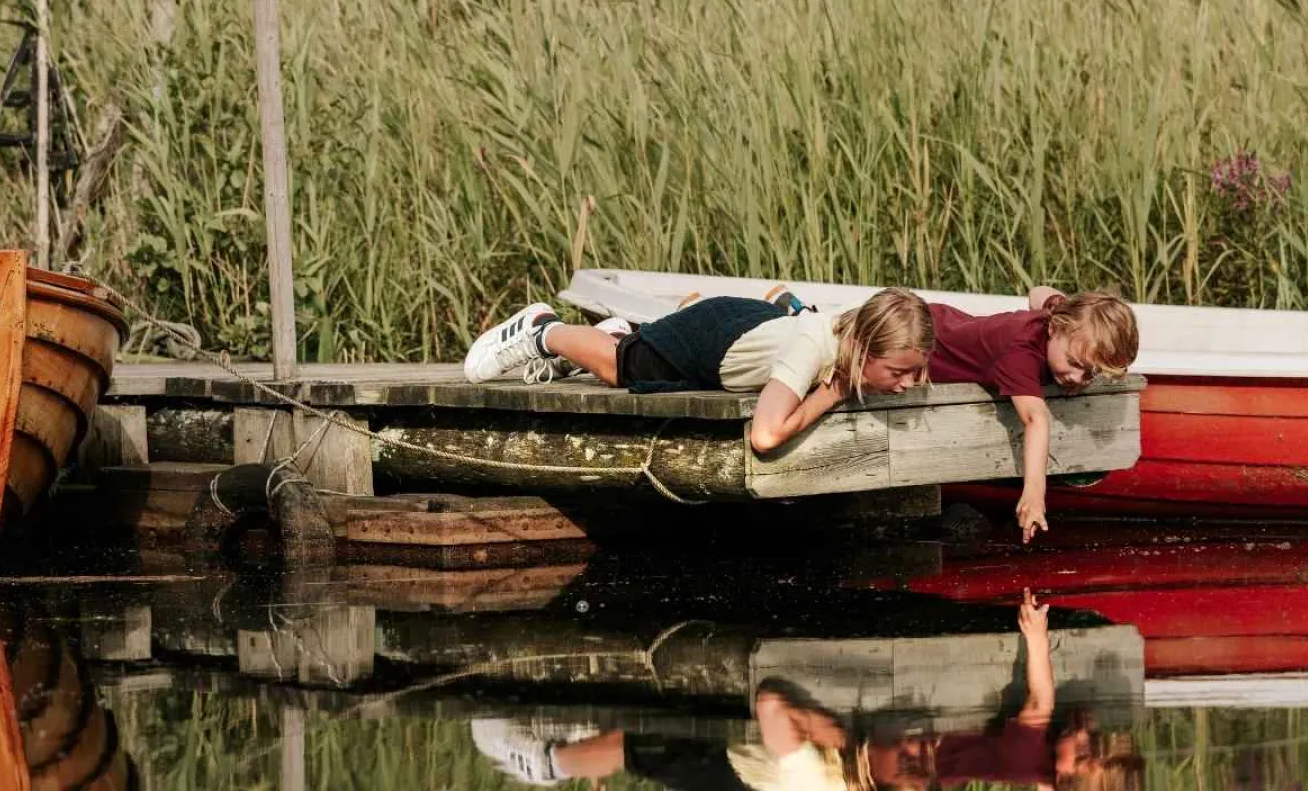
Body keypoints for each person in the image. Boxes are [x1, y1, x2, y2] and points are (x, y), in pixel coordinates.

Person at [463, 288, 934, 454]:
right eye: (899, 372)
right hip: (712, 340)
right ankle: (541, 330)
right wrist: (830, 396)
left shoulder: (856, 335)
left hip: (753, 326)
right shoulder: (812, 349)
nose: (909, 384)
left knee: (634, 348)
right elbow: (765, 436)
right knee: (620, 366)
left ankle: (621, 329)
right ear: (864, 347)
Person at [863, 591, 1145, 790]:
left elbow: (1039, 702)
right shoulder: (1049, 767)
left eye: (1082, 751)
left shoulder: (1028, 762)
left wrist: (1037, 639)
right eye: (1092, 739)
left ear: (1062, 777)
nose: (1084, 734)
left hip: (900, 759)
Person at [925, 287, 1139, 542]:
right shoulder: (1019, 353)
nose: (1077, 379)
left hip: (949, 321)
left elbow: (1037, 292)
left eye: (1090, 374)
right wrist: (1035, 493)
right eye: (1075, 363)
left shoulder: (1059, 316)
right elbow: (1035, 417)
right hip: (927, 340)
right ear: (1054, 328)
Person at [472, 680, 859, 790]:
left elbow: (771, 705)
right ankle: (583, 736)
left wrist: (817, 728)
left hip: (737, 772)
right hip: (750, 753)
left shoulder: (820, 781)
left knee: (641, 748)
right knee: (654, 727)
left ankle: (546, 764)